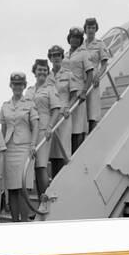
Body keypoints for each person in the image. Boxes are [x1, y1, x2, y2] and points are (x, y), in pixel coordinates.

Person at [0, 72, 39, 222]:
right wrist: (1, 149)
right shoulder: (5, 106)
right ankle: (15, 222)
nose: (17, 87)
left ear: (24, 85)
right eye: (15, 84)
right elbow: (3, 129)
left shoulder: (29, 103)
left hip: (24, 148)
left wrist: (33, 144)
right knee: (12, 189)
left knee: (23, 189)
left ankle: (24, 222)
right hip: (9, 149)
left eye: (20, 84)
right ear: (11, 85)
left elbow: (35, 126)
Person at [25, 59, 61, 214]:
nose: (42, 72)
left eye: (45, 70)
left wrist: (50, 127)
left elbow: (56, 109)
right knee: (33, 167)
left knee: (41, 166)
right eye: (39, 70)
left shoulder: (50, 88)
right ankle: (40, 202)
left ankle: (46, 202)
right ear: (34, 71)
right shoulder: (30, 90)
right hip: (28, 130)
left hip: (43, 130)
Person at [46, 45, 78, 178]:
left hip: (64, 114)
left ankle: (65, 177)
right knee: (52, 149)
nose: (56, 58)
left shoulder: (68, 74)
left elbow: (74, 95)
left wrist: (68, 108)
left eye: (58, 55)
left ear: (62, 56)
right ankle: (54, 179)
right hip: (50, 115)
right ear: (50, 58)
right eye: (53, 55)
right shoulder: (47, 76)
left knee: (63, 148)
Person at [63, 27, 94, 153]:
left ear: (81, 40)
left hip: (78, 93)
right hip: (66, 93)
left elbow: (90, 72)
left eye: (77, 38)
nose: (74, 40)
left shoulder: (84, 53)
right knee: (66, 124)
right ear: (69, 38)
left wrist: (84, 91)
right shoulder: (64, 56)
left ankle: (78, 152)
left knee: (78, 125)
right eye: (72, 37)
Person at [83, 17, 110, 132]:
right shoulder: (81, 45)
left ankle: (92, 133)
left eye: (93, 28)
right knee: (82, 109)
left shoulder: (100, 44)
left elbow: (104, 64)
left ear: (96, 29)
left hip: (93, 78)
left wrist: (98, 75)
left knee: (92, 110)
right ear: (85, 29)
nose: (91, 30)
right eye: (89, 27)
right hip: (81, 78)